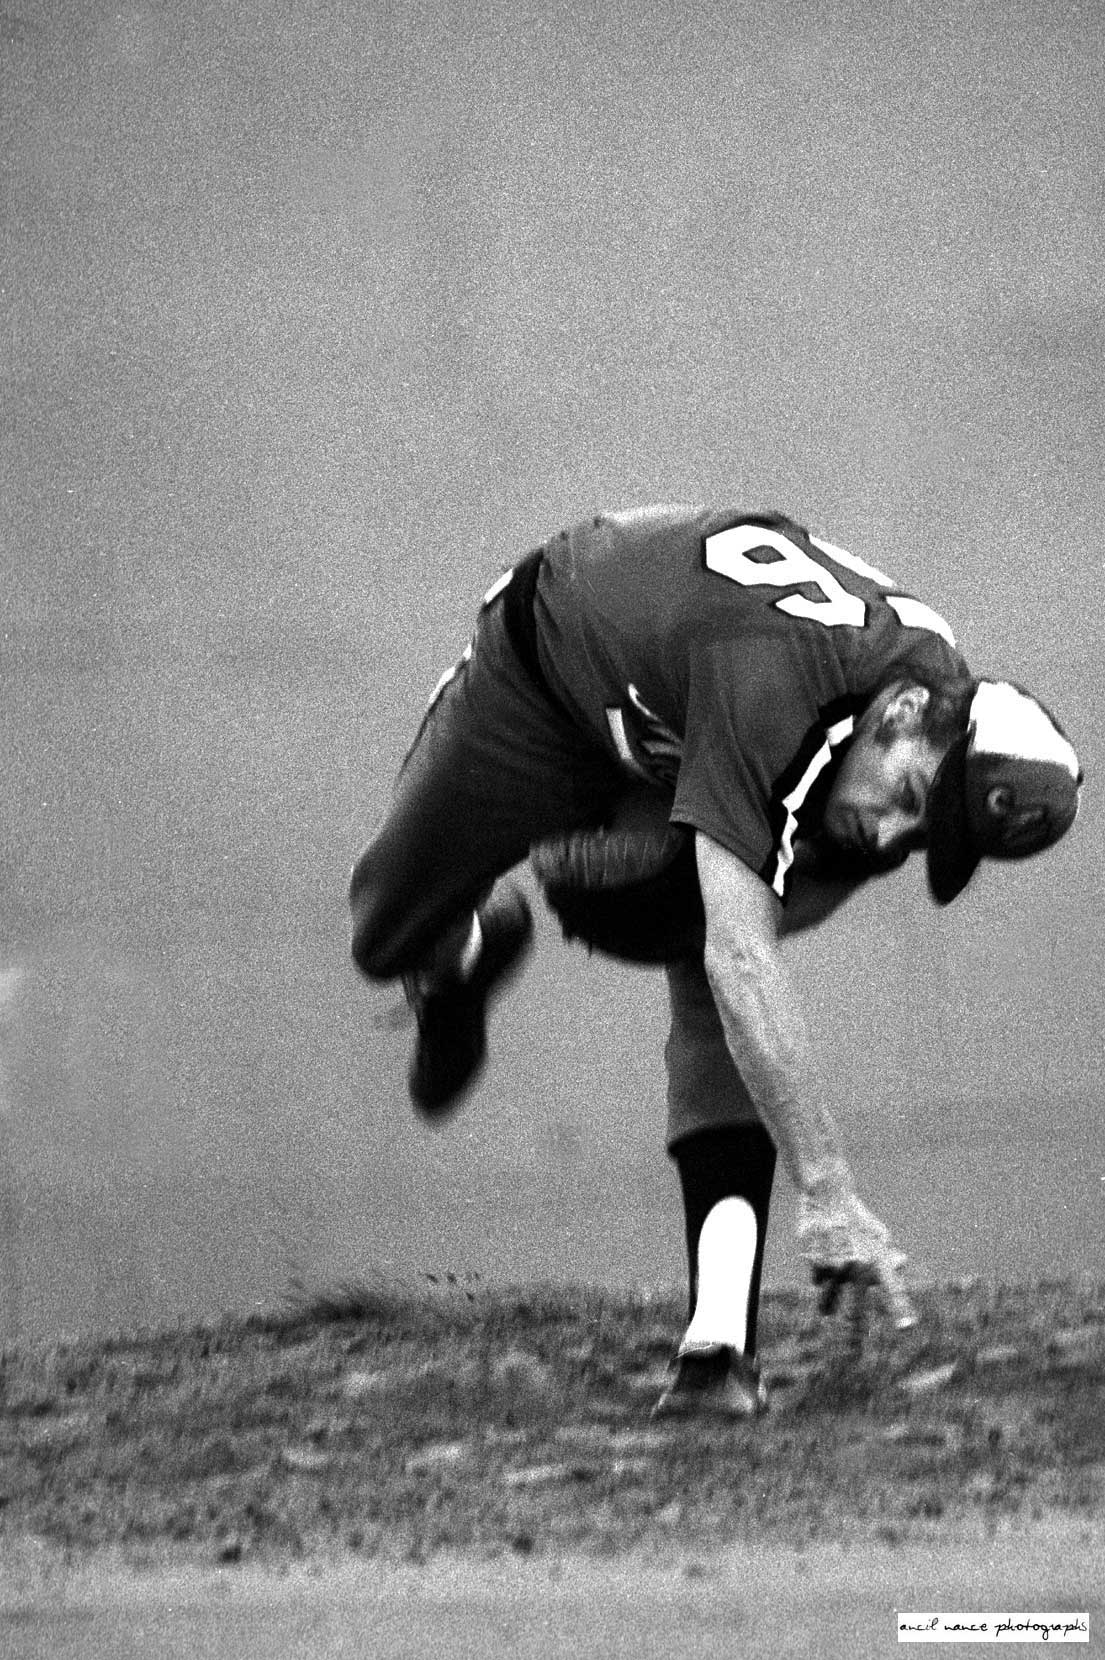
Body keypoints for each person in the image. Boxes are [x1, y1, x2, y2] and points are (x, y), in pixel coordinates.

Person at [349, 504, 1082, 1420]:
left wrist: (779, 877)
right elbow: (746, 961)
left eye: (925, 831)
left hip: (699, 729)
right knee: (384, 930)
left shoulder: (912, 716)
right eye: (905, 797)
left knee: (720, 945)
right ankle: (465, 952)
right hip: (548, 685)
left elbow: (740, 948)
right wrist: (828, 1189)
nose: (891, 835)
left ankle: (718, 1347)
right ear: (899, 713)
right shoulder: (779, 685)